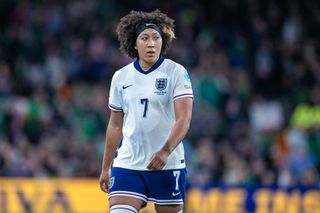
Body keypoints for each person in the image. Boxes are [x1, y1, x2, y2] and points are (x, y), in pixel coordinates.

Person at [99, 9, 193, 213]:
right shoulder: (121, 77)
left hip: (168, 164)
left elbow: (184, 119)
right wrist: (106, 167)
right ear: (134, 43)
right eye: (145, 38)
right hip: (128, 163)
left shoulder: (176, 72)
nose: (151, 44)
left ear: (163, 41)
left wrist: (165, 151)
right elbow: (115, 126)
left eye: (156, 38)